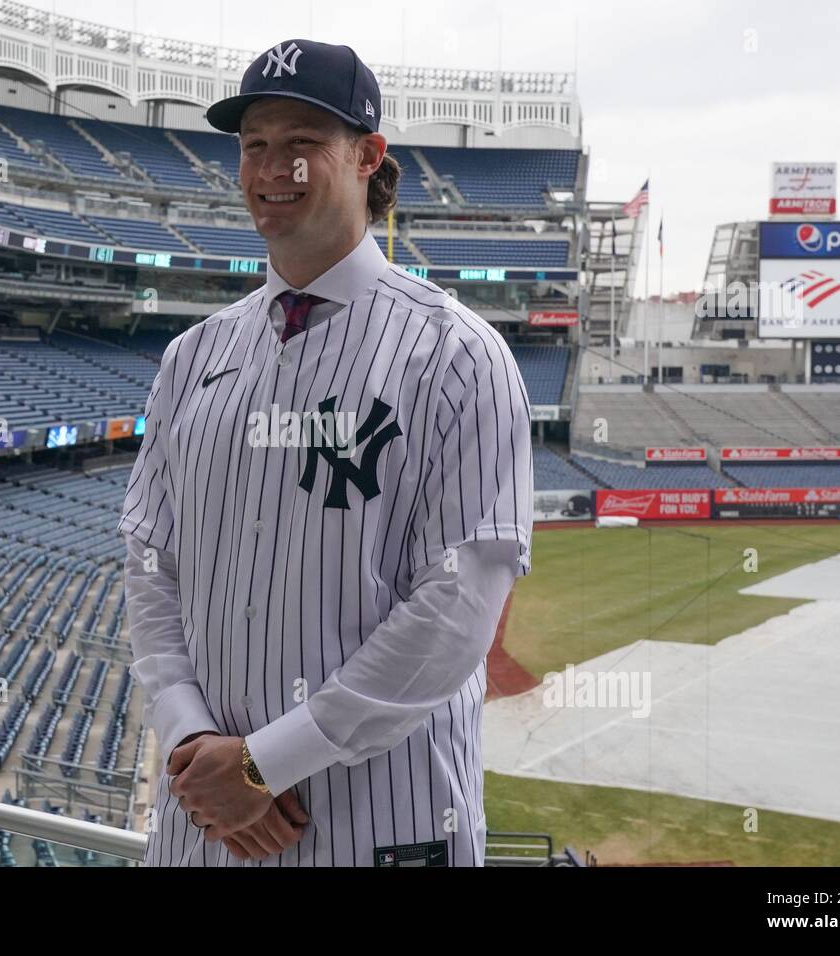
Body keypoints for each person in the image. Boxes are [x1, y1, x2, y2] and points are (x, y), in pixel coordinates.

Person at [118, 38, 533, 866]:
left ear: (368, 156)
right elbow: (150, 563)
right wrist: (195, 738)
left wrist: (269, 763)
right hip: (204, 827)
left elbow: (456, 612)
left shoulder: (457, 354)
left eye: (302, 143)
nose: (273, 167)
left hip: (383, 825)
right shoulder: (193, 357)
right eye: (254, 145)